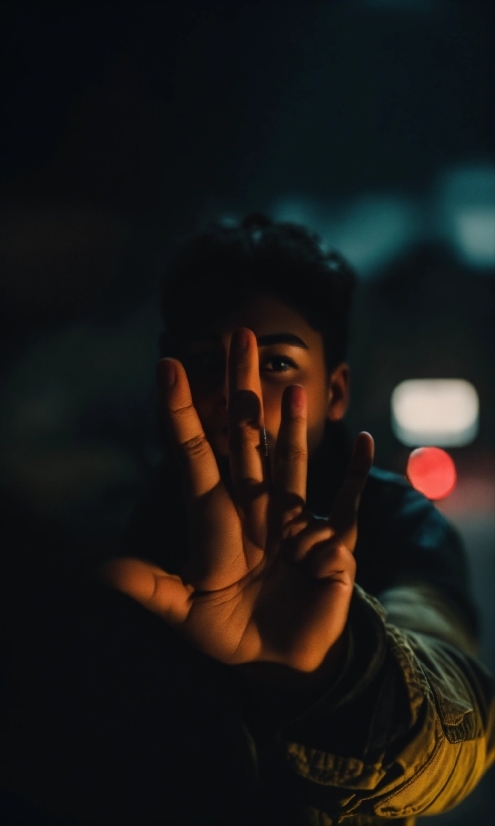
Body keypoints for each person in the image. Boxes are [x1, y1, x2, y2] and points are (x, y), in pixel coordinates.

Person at [1, 214, 493, 826]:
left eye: (280, 364)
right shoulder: (115, 527)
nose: (245, 401)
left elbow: (460, 730)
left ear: (336, 391)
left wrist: (329, 671)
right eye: (211, 365)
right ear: (167, 378)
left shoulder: (396, 523)